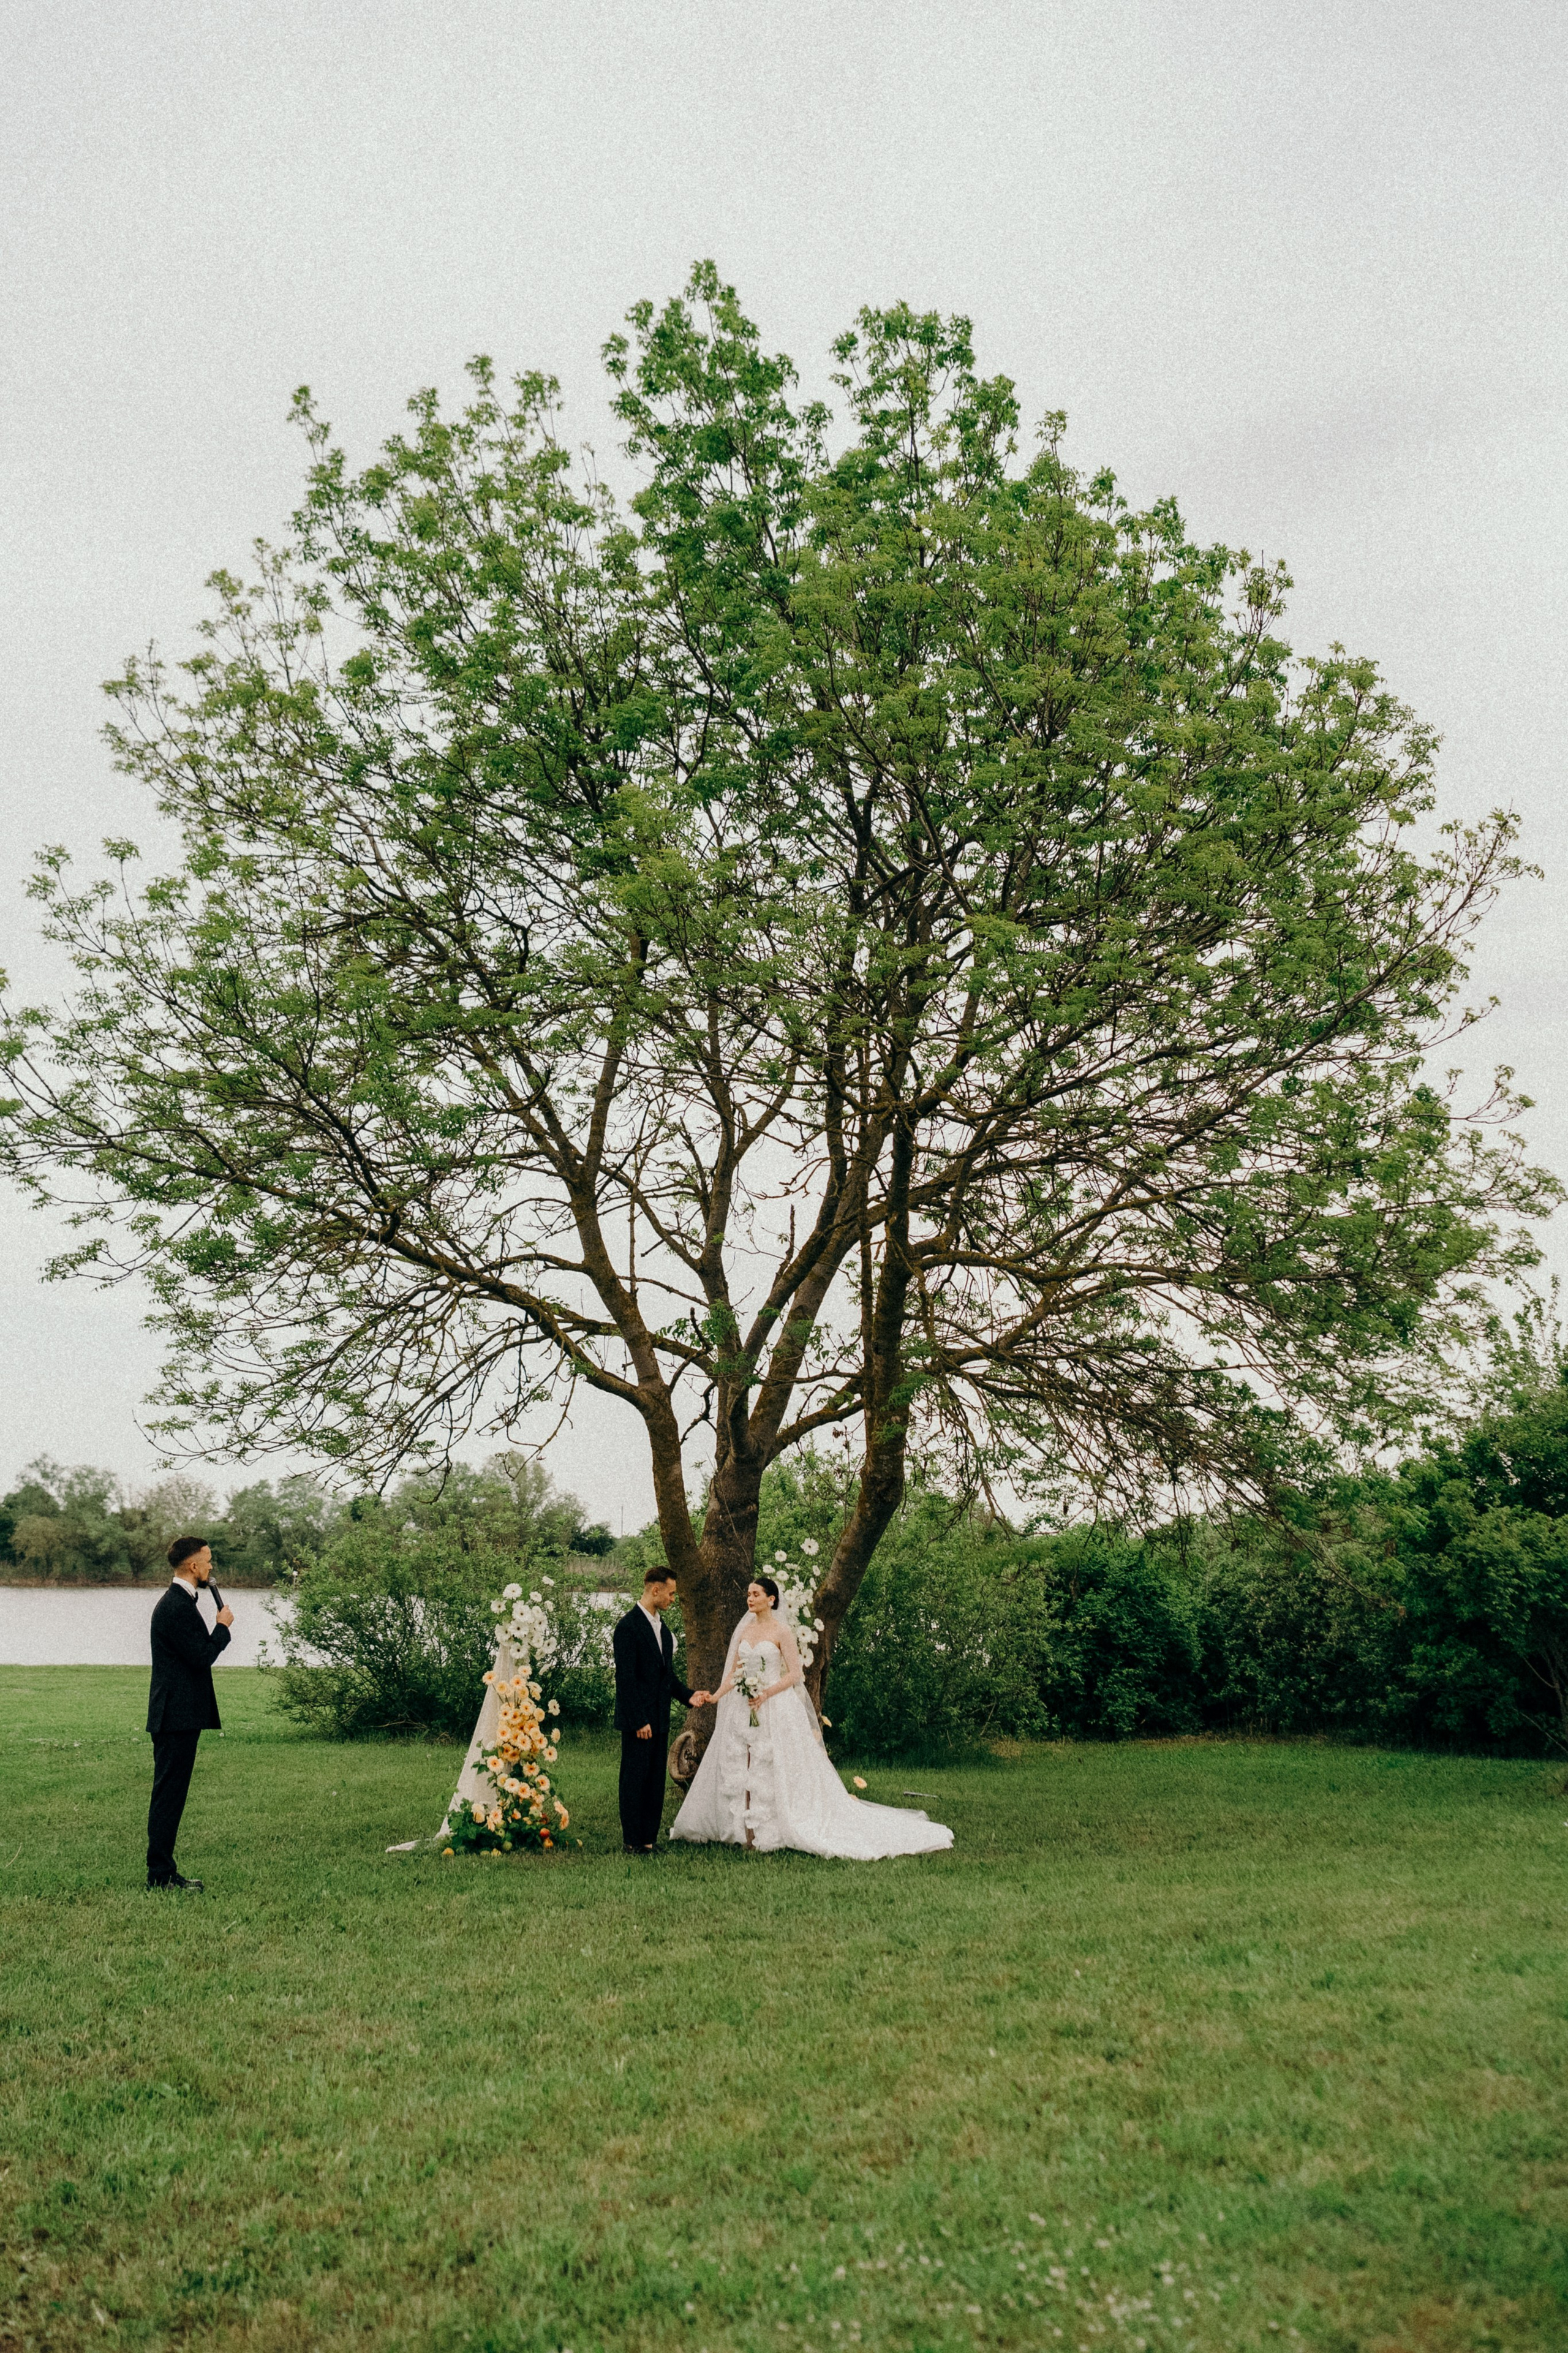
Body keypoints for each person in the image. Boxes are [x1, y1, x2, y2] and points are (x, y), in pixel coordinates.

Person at [670, 1576, 953, 1860]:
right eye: (748, 1594)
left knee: (772, 1766)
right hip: (745, 1708)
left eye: (756, 1594)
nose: (750, 1599)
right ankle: (744, 1831)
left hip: (774, 1706)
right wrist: (717, 1696)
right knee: (743, 1766)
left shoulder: (782, 1632)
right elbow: (734, 1673)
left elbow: (795, 1675)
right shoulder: (744, 1632)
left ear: (772, 1599)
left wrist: (766, 1693)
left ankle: (771, 1828)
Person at [145, 1535, 233, 1890]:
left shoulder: (182, 1602)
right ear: (193, 1566)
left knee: (171, 1795)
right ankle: (161, 1875)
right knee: (169, 1796)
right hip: (175, 1717)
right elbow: (201, 1656)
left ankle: (162, 1873)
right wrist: (223, 1627)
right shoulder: (176, 1606)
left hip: (179, 1716)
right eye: (208, 1561)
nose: (212, 1567)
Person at [611, 1569, 708, 1853]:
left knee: (654, 1781)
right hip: (638, 1721)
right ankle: (632, 1842)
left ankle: (648, 1842)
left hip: (660, 1719)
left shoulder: (664, 1630)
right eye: (671, 1593)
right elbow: (625, 1679)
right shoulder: (627, 1627)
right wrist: (639, 1719)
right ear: (655, 1590)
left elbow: (667, 1679)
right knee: (634, 1779)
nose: (673, 1598)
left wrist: (690, 1696)